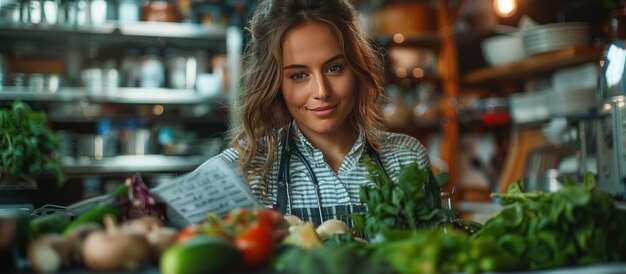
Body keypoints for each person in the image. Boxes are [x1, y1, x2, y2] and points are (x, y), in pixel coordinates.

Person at [215, 0, 430, 226]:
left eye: (334, 68)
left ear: (357, 68)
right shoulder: (244, 169)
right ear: (276, 83)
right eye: (299, 75)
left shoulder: (407, 158)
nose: (322, 91)